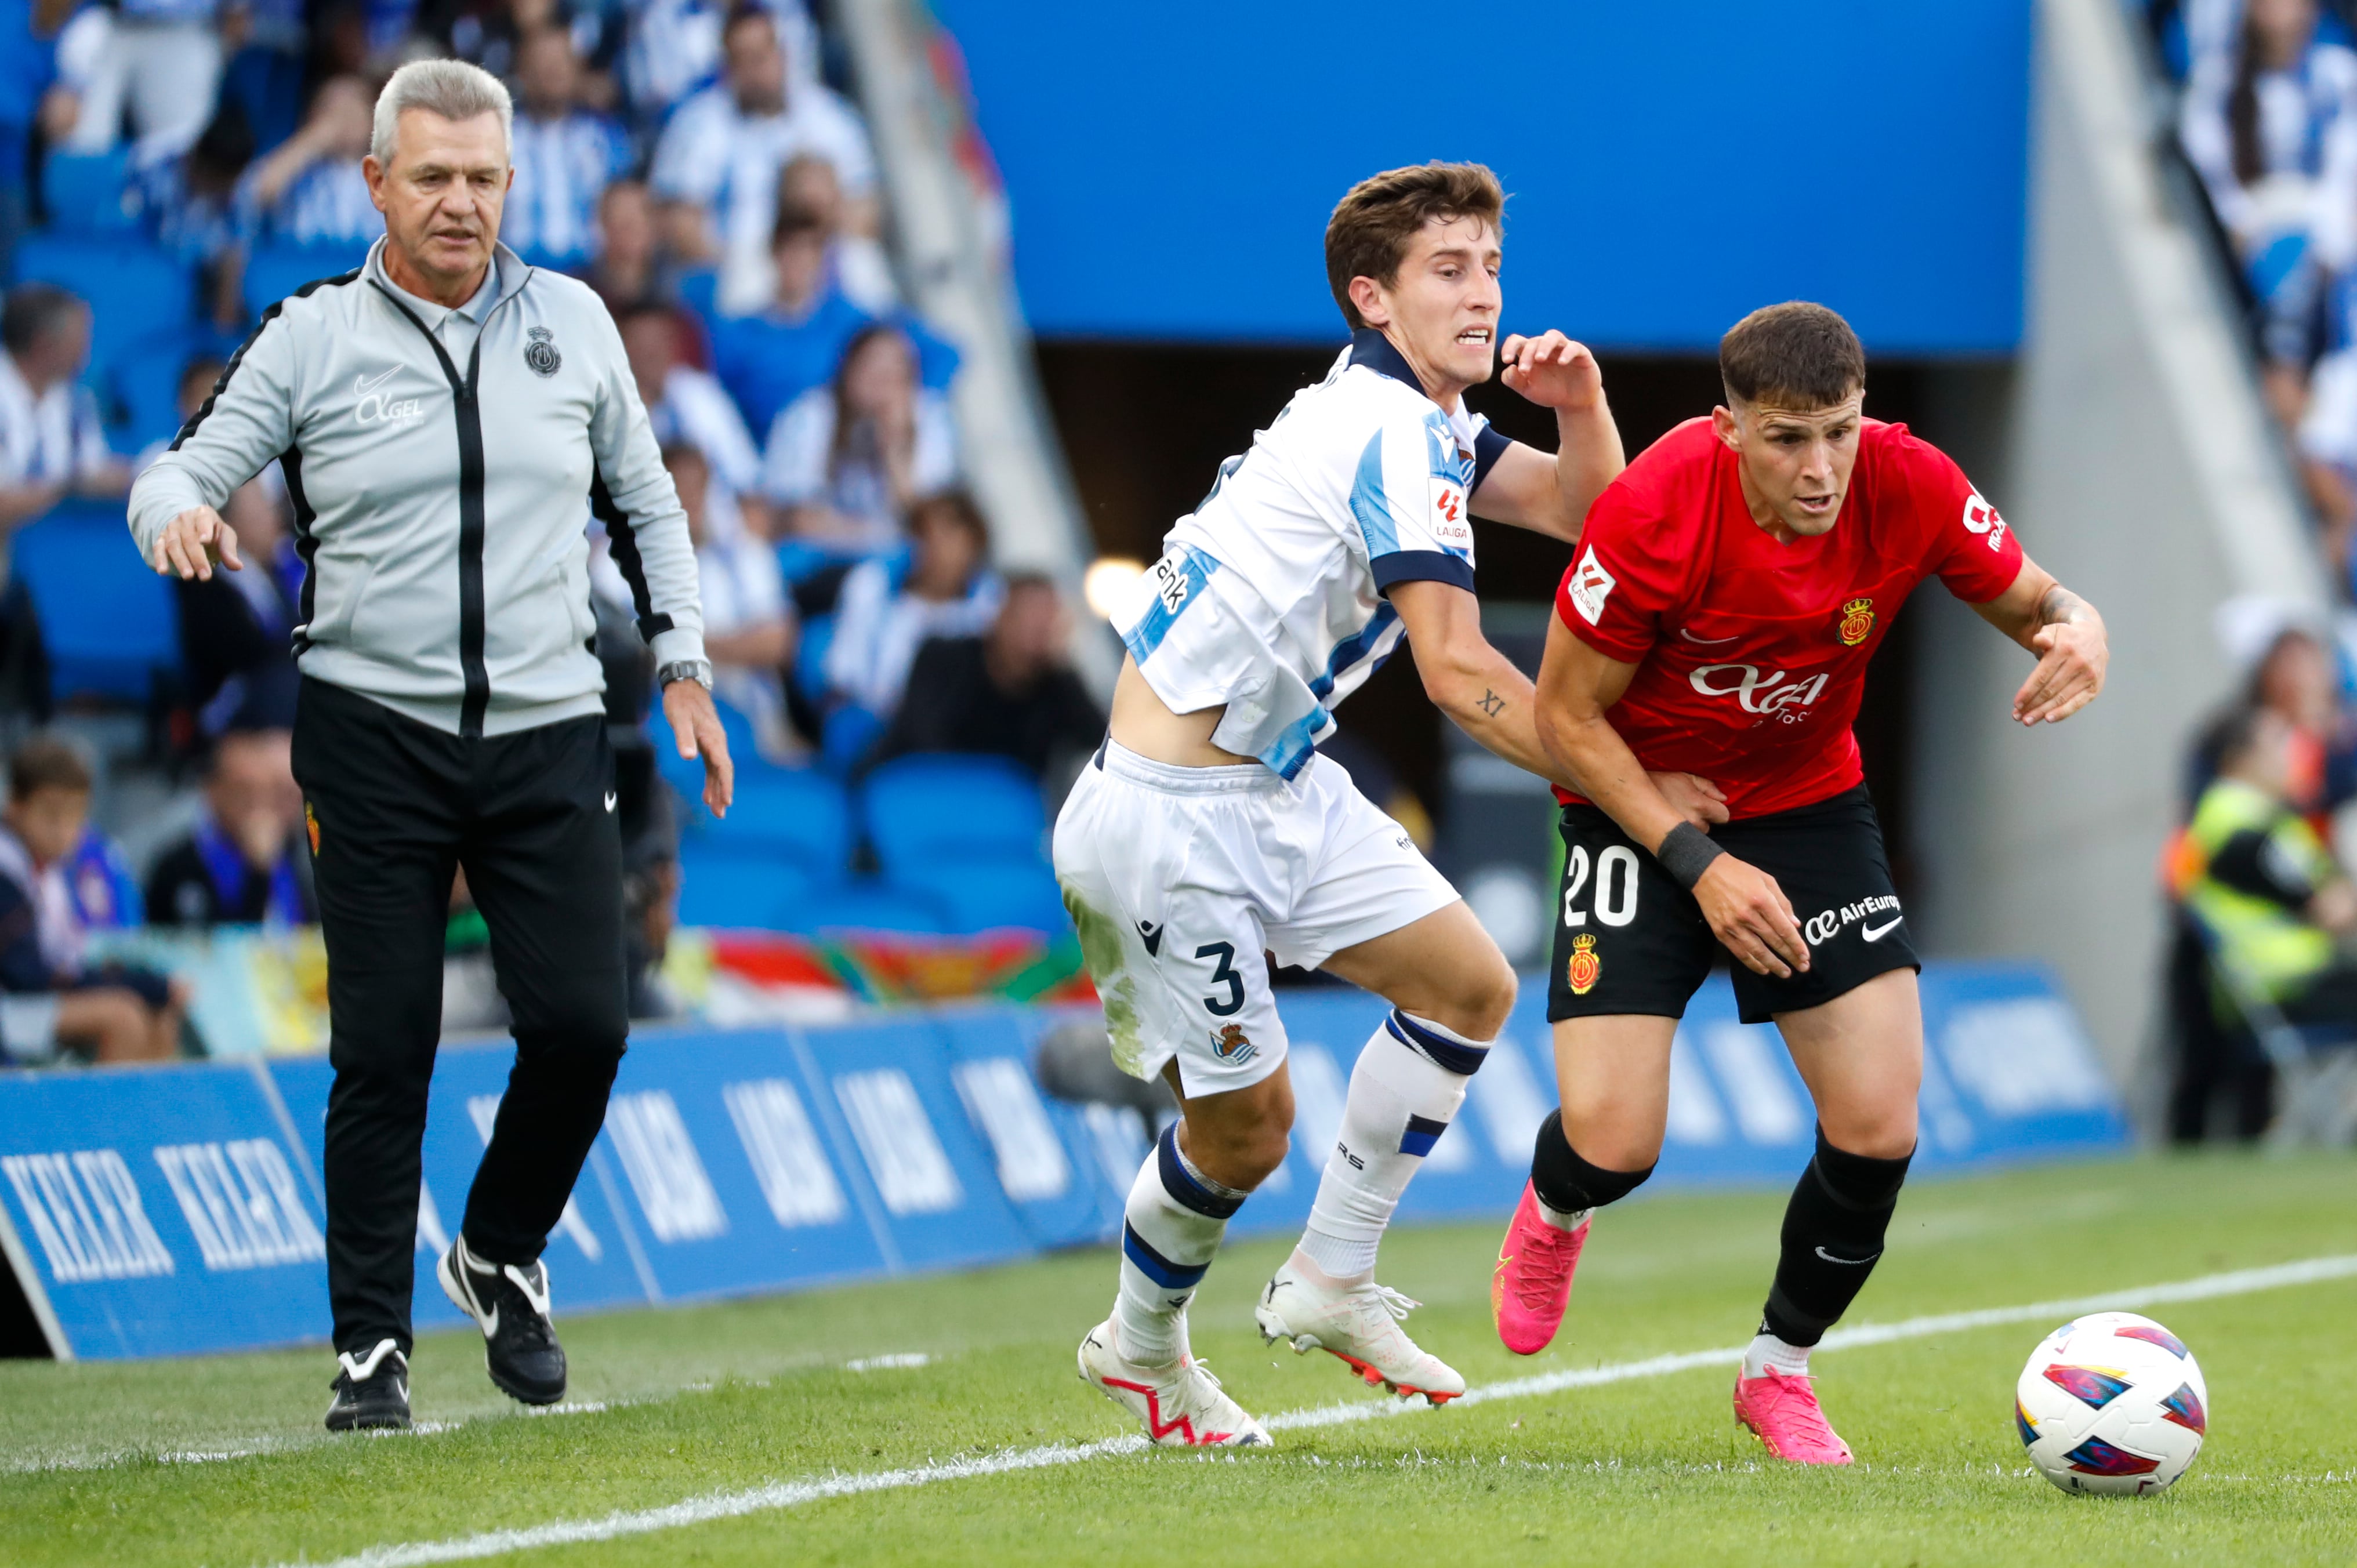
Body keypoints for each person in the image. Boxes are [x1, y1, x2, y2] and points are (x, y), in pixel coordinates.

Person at [129, 59, 731, 1434]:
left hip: (545, 728)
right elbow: (181, 464)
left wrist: (684, 660)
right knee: (382, 1045)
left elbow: (642, 504)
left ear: (512, 183)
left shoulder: (574, 323)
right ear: (376, 183)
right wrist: (170, 515)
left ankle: (501, 1246)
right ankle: (367, 1352)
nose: (459, 204)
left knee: (584, 1023)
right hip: (372, 737)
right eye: (432, 178)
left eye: (482, 178)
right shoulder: (310, 333)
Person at [1056, 162, 1627, 1446]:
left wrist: (1581, 402)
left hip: (1272, 779)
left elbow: (1579, 507)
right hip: (1167, 818)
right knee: (1249, 1131)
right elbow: (1460, 674)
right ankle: (1140, 1347)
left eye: (1487, 264)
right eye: (1446, 269)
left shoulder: (1401, 414)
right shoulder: (1385, 429)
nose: (1481, 293)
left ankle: (1327, 1277)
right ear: (1373, 298)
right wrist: (1634, 795)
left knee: (1469, 985)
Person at [1497, 301, 2109, 1465]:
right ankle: (1557, 1205)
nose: (1819, 466)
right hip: (1636, 800)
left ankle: (1777, 1369)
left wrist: (2085, 630)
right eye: (1786, 438)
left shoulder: (1909, 481)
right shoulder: (1651, 510)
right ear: (1725, 427)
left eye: (1837, 430)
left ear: (1863, 413)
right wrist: (1698, 863)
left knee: (1879, 1122)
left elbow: (2039, 600)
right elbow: (1563, 715)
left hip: (1808, 801)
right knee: (1615, 1140)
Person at [2172, 702, 2357, 1136]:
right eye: (2279, 741)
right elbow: (2330, 907)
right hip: (2284, 986)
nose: (2294, 752)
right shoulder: (2242, 826)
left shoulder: (2255, 818)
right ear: (2241, 758)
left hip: (2297, 981)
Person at [2180, 0, 2357, 422]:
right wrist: (2240, 219)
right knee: (2286, 269)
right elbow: (2209, 161)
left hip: (2323, 225)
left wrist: (2329, 231)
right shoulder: (2220, 78)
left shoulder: (2337, 73)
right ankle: (2285, 379)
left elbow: (2344, 163)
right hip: (2259, 229)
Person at [648, 1, 875, 316]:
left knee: (863, 262)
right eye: (742, 60)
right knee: (745, 283)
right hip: (738, 259)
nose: (755, 70)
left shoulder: (829, 116)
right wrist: (733, 262)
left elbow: (865, 207)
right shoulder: (697, 123)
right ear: (726, 66)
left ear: (782, 55)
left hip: (818, 254)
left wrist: (807, 256)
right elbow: (679, 220)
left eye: (762, 56)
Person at [0, 738, 183, 1066]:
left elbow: (69, 962)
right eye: (51, 816)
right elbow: (31, 977)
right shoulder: (6, 874)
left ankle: (150, 1114)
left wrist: (146, 984)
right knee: (121, 1016)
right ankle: (111, 1117)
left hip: (32, 1003)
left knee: (161, 1008)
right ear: (15, 806)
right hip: (11, 1010)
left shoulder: (47, 875)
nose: (63, 832)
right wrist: (137, 984)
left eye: (74, 818)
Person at [872, 571, 1105, 786]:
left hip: (1002, 815)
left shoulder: (1059, 687)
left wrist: (1066, 669)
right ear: (1001, 616)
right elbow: (923, 739)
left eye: (1048, 620)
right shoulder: (941, 658)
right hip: (915, 792)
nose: (1038, 629)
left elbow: (1104, 742)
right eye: (1028, 616)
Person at [761, 321, 955, 553]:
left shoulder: (931, 418)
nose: (881, 383)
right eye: (872, 368)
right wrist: (876, 535)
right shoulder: (809, 415)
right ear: (849, 369)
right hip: (816, 563)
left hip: (894, 564)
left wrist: (895, 448)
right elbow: (797, 518)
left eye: (893, 375)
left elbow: (928, 524)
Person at [666, 442, 798, 760]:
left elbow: (778, 644)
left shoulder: (747, 555)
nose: (689, 499)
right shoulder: (617, 565)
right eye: (677, 487)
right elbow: (630, 655)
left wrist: (683, 650)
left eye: (697, 487)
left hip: (753, 712)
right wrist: (735, 647)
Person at [822, 488, 1000, 722]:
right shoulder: (871, 586)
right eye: (928, 536)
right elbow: (842, 680)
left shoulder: (993, 608)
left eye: (951, 539)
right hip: (875, 727)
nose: (939, 550)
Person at [705, 200, 871, 440]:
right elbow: (718, 408)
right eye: (791, 251)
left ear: (822, 260)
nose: (799, 263)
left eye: (808, 253)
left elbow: (936, 354)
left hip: (836, 459)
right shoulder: (735, 334)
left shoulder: (854, 323)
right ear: (774, 254)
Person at [145, 725, 315, 927]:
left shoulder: (294, 856)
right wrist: (259, 874)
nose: (258, 806)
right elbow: (221, 946)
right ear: (213, 789)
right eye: (244, 791)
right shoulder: (179, 867)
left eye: (267, 792)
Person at [0, 284, 131, 535]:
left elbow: (96, 471)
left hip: (52, 548)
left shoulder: (75, 401)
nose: (86, 351)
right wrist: (67, 489)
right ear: (44, 345)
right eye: (80, 338)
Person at [503, 23, 631, 270]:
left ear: (578, 69)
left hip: (591, 277)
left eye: (562, 61)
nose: (554, 72)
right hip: (516, 278)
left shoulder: (606, 139)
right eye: (542, 63)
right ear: (522, 73)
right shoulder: (498, 141)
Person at [620, 302, 765, 504]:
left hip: (710, 524)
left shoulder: (701, 394)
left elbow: (744, 477)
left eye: (659, 341)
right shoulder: (603, 411)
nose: (651, 354)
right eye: (641, 344)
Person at [233, 74, 381, 251]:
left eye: (351, 109)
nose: (341, 121)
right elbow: (251, 193)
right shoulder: (298, 170)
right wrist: (316, 137)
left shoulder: (386, 173)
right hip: (298, 269)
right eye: (330, 109)